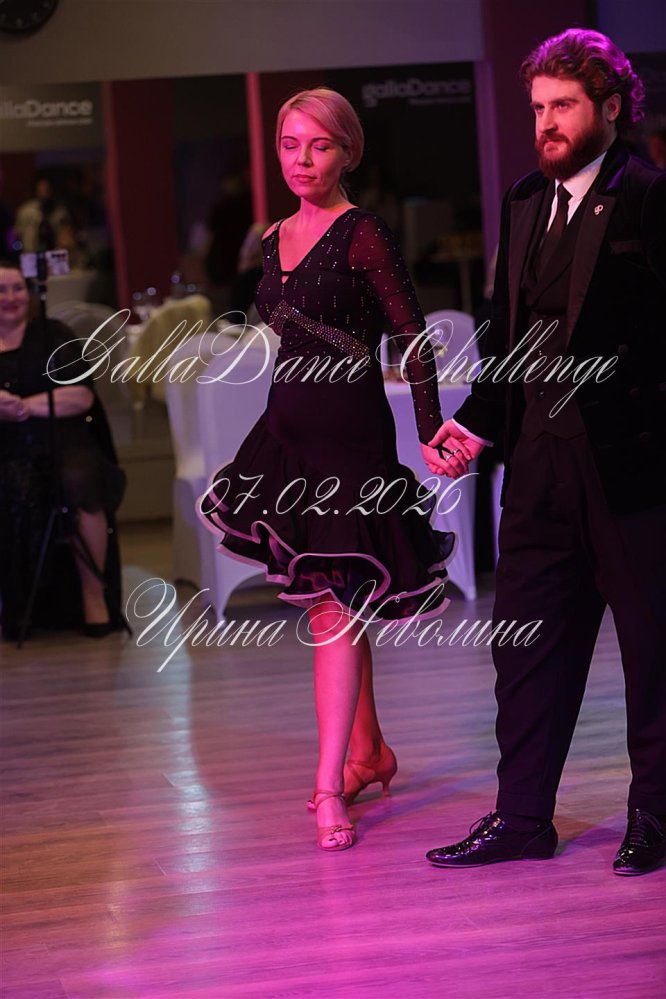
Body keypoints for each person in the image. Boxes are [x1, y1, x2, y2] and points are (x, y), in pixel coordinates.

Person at [425, 29, 666, 876]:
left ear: (611, 107)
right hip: (536, 464)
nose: (546, 123)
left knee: (652, 648)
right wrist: (477, 421)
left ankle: (656, 816)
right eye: (537, 108)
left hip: (631, 465)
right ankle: (522, 816)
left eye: (563, 105)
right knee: (525, 647)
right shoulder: (526, 198)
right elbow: (506, 333)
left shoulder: (651, 196)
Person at [199, 87, 464, 852]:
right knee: (336, 600)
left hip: (349, 443)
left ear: (347, 151)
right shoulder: (272, 235)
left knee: (330, 611)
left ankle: (326, 785)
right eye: (290, 145)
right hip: (286, 438)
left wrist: (428, 431)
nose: (303, 160)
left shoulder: (363, 233)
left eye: (319, 145)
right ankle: (368, 752)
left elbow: (412, 338)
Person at [0, 261, 126, 640]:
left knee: (80, 478)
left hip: (60, 436)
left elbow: (81, 396)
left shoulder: (54, 334)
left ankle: (93, 595)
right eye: (1, 290)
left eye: (17, 288)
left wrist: (24, 407)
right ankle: (14, 602)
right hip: (5, 444)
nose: (10, 297)